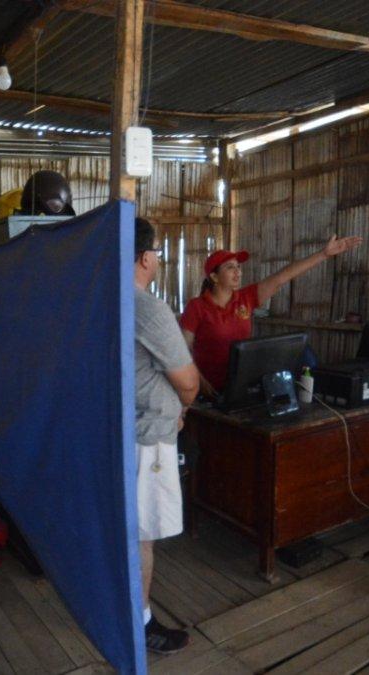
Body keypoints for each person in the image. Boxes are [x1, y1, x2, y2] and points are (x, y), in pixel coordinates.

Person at [180, 235, 362, 396]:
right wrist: (198, 381)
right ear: (214, 276)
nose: (238, 272)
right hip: (209, 391)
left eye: (238, 267)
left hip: (242, 386)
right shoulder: (196, 307)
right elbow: (181, 350)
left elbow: (283, 276)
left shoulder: (246, 298)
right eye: (230, 268)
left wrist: (323, 254)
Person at [133, 216, 199, 655]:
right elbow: (188, 380)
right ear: (145, 256)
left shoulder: (96, 297)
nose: (158, 258)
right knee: (142, 535)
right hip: (146, 439)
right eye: (156, 251)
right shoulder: (146, 307)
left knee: (126, 528)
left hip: (117, 430)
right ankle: (139, 625)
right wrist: (184, 408)